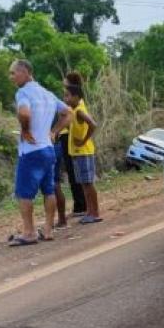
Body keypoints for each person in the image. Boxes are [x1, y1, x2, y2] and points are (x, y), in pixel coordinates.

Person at [7, 59, 72, 246]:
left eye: (13, 73)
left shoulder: (23, 93)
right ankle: (49, 230)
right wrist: (54, 132)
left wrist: (25, 130)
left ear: (25, 72)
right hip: (48, 149)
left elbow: (24, 114)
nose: (11, 77)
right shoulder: (47, 93)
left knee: (24, 193)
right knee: (48, 190)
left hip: (31, 151)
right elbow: (68, 113)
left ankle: (29, 232)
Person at [64, 84, 101, 224]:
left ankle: (95, 213)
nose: (65, 98)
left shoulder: (79, 111)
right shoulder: (74, 110)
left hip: (83, 152)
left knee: (88, 183)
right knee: (84, 184)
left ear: (76, 97)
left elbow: (93, 124)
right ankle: (90, 211)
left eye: (67, 95)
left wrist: (84, 140)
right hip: (78, 153)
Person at [54, 71, 87, 220]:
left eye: (65, 81)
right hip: (68, 136)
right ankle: (80, 205)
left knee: (74, 172)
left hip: (69, 137)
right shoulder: (76, 99)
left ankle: (80, 206)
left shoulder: (74, 102)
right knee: (73, 172)